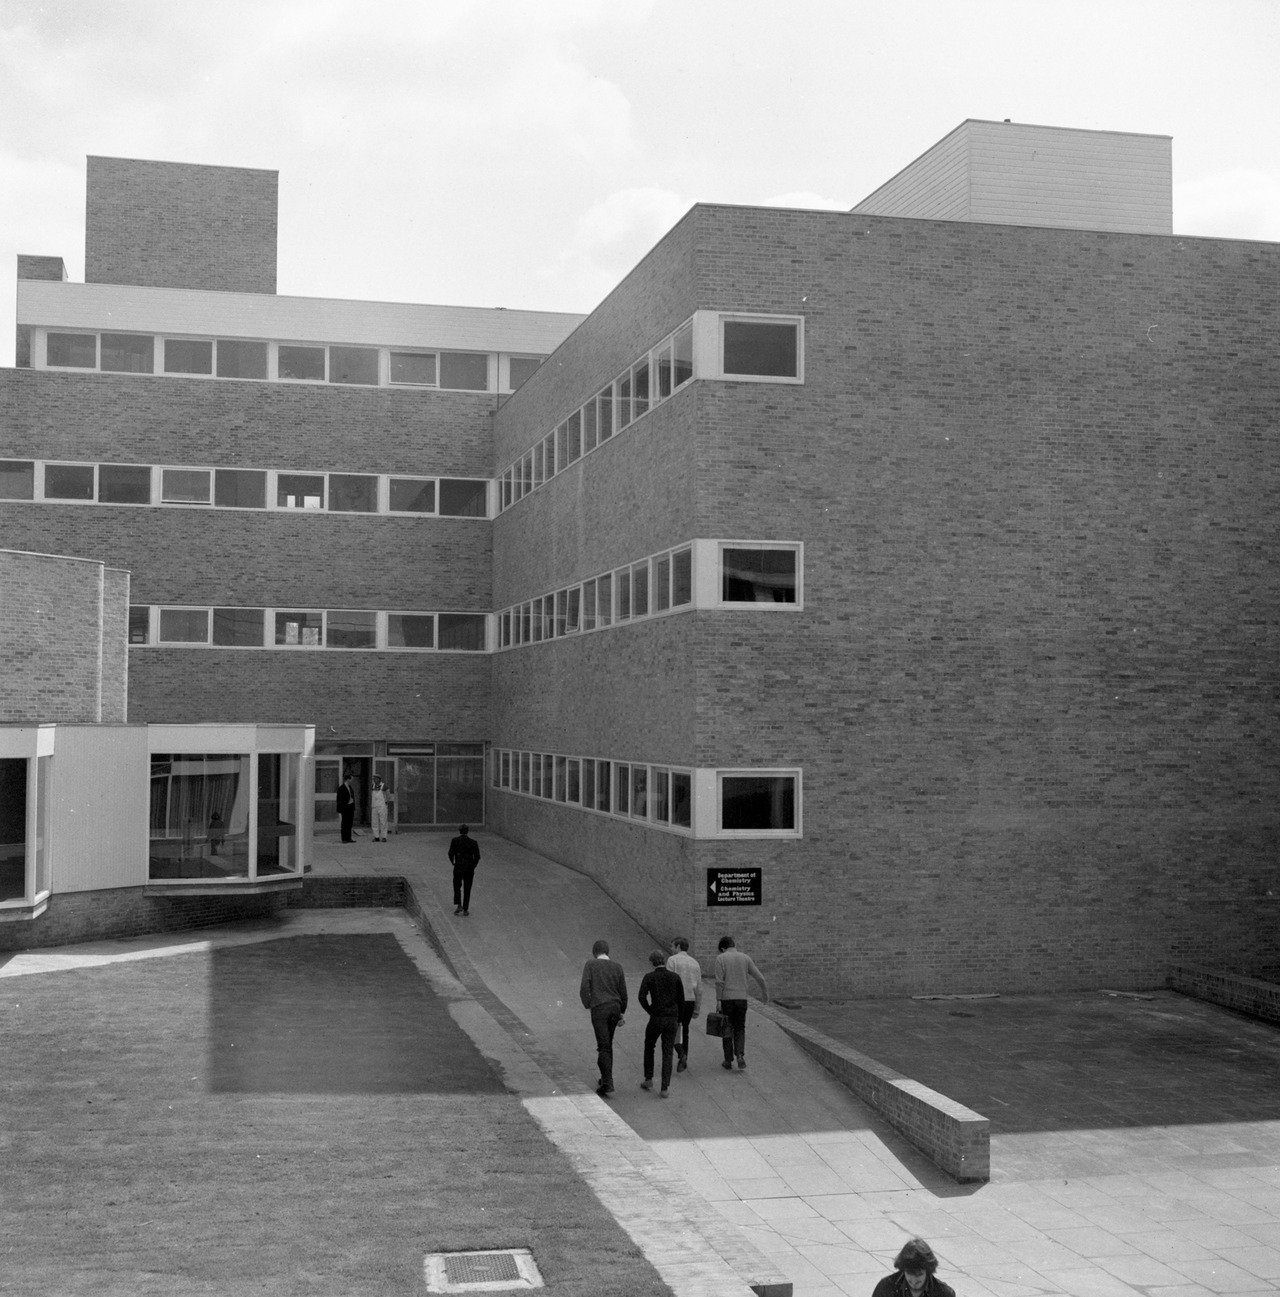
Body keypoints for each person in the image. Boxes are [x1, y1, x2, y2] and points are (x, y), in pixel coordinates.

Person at [579, 939, 627, 1098]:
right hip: (614, 1007)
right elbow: (623, 993)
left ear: (594, 952)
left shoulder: (591, 965)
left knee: (603, 1045)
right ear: (608, 952)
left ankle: (607, 1083)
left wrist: (588, 1003)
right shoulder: (617, 967)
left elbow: (585, 987)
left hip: (599, 1008)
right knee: (608, 1044)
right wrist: (622, 1011)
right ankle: (606, 1077)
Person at [714, 935, 768, 1071]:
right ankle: (739, 1055)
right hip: (742, 999)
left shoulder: (721, 958)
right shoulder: (745, 958)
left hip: (727, 999)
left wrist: (718, 1000)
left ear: (722, 948)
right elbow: (760, 977)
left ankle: (728, 1060)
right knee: (740, 1028)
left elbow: (719, 982)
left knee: (727, 1028)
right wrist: (765, 994)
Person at [637, 949, 683, 1096]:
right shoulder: (675, 977)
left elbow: (641, 997)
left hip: (656, 1017)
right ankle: (664, 1088)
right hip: (671, 1019)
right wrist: (678, 1017)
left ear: (652, 962)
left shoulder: (649, 977)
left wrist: (650, 1010)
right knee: (667, 1052)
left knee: (649, 1046)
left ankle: (648, 1078)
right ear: (664, 960)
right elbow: (681, 999)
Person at [666, 936, 703, 1072]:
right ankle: (684, 1057)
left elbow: (668, 982)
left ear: (678, 947)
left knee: (673, 1029)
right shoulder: (695, 963)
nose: (671, 949)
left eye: (672, 946)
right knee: (685, 1029)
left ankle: (680, 1053)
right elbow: (699, 988)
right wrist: (697, 1008)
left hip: (676, 1001)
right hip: (690, 1001)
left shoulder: (672, 961)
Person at [871, 1238, 955, 1297]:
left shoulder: (944, 1294)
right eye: (909, 1273)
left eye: (919, 1274)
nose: (914, 1281)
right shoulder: (886, 1287)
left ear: (928, 1271)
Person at [448, 824, 480, 915]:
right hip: (469, 869)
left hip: (458, 867)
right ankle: (466, 909)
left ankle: (459, 905)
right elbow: (477, 856)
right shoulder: (473, 842)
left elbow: (450, 853)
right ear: (467, 831)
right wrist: (473, 865)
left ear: (460, 831)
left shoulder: (455, 841)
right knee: (467, 888)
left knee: (457, 886)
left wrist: (454, 862)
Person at [336, 771, 356, 843]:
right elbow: (339, 799)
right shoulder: (341, 788)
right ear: (348, 779)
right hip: (345, 807)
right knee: (345, 823)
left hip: (350, 807)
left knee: (350, 823)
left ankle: (349, 837)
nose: (352, 781)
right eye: (351, 779)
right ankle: (344, 838)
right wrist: (341, 808)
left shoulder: (350, 787)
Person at [370, 776, 390, 842]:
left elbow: (388, 795)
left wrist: (386, 802)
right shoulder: (373, 786)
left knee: (383, 821)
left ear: (379, 779)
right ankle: (376, 836)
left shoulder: (384, 786)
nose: (374, 780)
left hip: (382, 806)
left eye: (375, 779)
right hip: (374, 806)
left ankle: (384, 836)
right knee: (374, 822)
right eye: (373, 779)